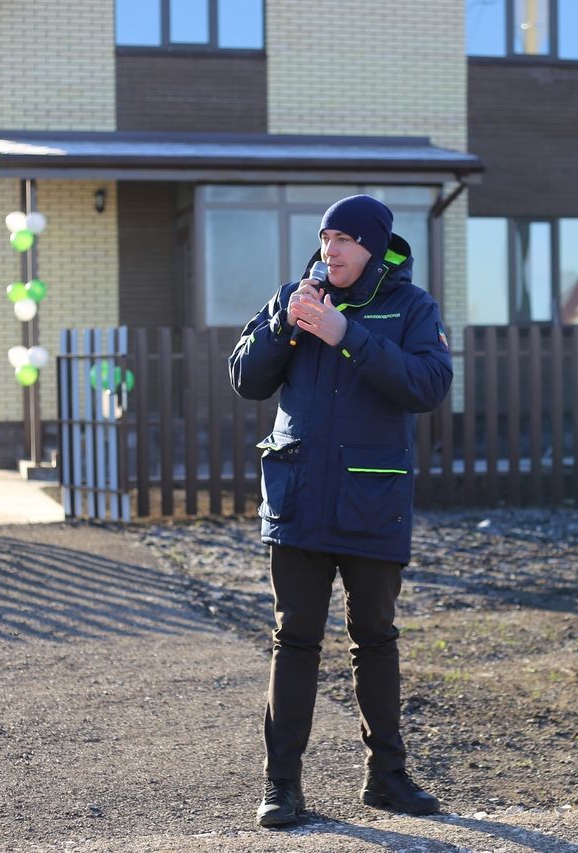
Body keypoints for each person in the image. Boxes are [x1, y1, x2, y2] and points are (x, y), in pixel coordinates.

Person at [229, 194, 453, 828]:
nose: (332, 251)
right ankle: (282, 787)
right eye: (327, 239)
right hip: (298, 499)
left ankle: (386, 777)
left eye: (346, 240)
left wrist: (346, 336)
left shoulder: (411, 307)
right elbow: (246, 379)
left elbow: (429, 386)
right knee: (293, 638)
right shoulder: (295, 297)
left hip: (372, 502)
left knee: (374, 639)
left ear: (375, 246)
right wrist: (282, 328)